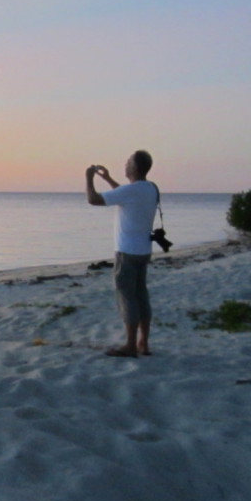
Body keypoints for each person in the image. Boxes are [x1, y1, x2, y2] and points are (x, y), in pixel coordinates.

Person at [85, 150, 159, 358]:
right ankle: (143, 342)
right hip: (143, 251)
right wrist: (107, 178)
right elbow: (124, 194)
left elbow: (93, 199)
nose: (125, 165)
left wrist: (89, 178)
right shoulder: (150, 188)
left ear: (135, 167)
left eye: (128, 162)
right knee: (141, 295)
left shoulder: (133, 191)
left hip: (127, 252)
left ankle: (130, 345)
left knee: (128, 297)